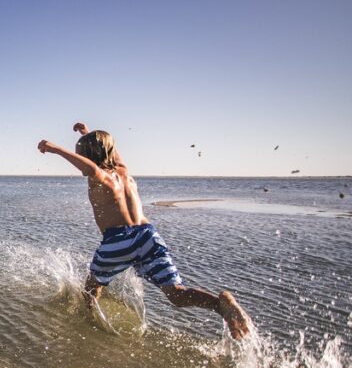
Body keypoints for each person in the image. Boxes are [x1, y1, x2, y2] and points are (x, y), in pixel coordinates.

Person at [37, 122, 252, 339]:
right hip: (148, 235)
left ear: (88, 155)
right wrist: (86, 132)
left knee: (92, 287)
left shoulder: (99, 177)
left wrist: (55, 149)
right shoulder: (123, 170)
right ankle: (221, 305)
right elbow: (109, 150)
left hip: (118, 240)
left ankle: (89, 322)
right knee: (177, 294)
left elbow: (89, 168)